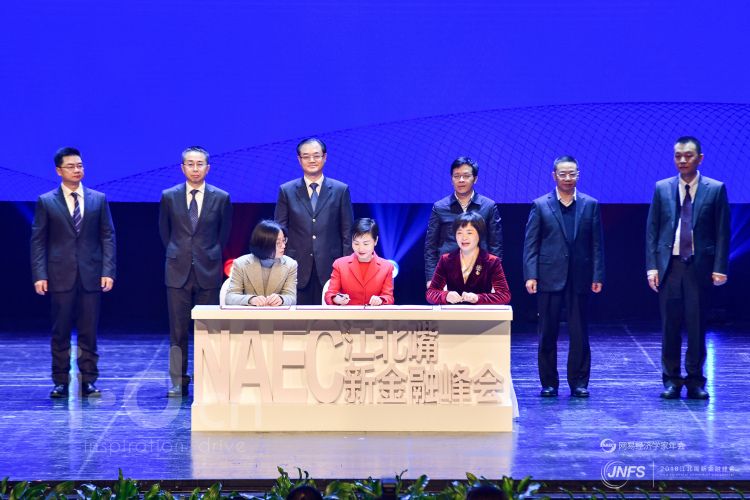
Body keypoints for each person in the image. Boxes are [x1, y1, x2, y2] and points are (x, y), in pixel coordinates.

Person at [646, 136, 730, 400]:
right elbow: (652, 230)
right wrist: (652, 267)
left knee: (696, 326)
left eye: (688, 156)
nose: (682, 160)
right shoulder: (662, 188)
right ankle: (671, 380)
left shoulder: (715, 189)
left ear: (700, 158)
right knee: (670, 327)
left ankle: (695, 380)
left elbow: (722, 232)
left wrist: (720, 267)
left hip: (698, 266)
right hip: (670, 266)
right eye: (678, 156)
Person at [30, 147, 116, 398]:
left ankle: (88, 380)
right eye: (71, 166)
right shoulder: (47, 201)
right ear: (59, 171)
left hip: (91, 274)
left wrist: (108, 270)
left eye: (80, 165)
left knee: (89, 331)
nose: (77, 170)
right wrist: (39, 274)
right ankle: (60, 380)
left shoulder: (98, 199)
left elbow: (108, 236)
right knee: (61, 331)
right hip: (59, 274)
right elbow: (38, 241)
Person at [522, 155, 604, 398]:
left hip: (580, 277)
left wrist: (597, 274)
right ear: (554, 176)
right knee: (547, 332)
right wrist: (530, 275)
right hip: (549, 276)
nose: (568, 178)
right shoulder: (540, 205)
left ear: (578, 175)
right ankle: (549, 383)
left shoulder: (590, 204)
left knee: (579, 333)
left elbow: (597, 245)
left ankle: (579, 382)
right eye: (563, 174)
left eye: (572, 174)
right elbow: (531, 244)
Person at [158, 146, 232, 397]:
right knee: (177, 331)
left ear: (207, 168)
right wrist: (181, 253)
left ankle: (207, 379)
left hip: (208, 270)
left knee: (208, 330)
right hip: (177, 270)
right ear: (183, 168)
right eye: (190, 164)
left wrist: (207, 254)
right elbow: (165, 233)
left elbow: (223, 234)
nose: (195, 168)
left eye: (200, 164)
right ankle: (178, 381)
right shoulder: (169, 196)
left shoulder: (221, 197)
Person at [275, 137, 354, 305]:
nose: (312, 160)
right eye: (306, 156)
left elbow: (347, 233)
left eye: (316, 155)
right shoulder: (286, 191)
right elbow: (279, 232)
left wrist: (346, 268)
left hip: (331, 268)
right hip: (295, 268)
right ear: (299, 160)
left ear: (325, 157)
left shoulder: (340, 190)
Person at [424, 156, 502, 287]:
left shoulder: (489, 206)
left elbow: (496, 245)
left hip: (480, 272)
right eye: (456, 176)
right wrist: (432, 278)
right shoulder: (440, 207)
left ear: (475, 179)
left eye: (466, 176)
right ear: (451, 179)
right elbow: (430, 246)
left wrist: (495, 277)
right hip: (447, 274)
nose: (461, 180)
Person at [426, 212, 510, 305]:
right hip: (453, 312)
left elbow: (504, 296)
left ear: (480, 234)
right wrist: (446, 296)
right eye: (459, 233)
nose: (464, 238)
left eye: (469, 233)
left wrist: (478, 298)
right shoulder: (446, 260)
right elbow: (431, 294)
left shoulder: (492, 261)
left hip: (481, 313)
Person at [225, 220, 297, 306]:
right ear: (264, 244)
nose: (283, 246)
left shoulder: (290, 264)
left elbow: (291, 297)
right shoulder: (240, 263)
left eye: (284, 240)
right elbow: (230, 297)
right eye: (278, 243)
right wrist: (250, 299)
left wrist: (282, 299)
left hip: (277, 313)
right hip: (250, 313)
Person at [325, 218, 394, 306]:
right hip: (348, 314)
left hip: (374, 314)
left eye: (366, 244)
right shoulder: (339, 264)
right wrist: (336, 299)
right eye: (356, 243)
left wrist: (380, 300)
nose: (361, 249)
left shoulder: (387, 267)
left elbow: (389, 297)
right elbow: (330, 294)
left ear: (376, 241)